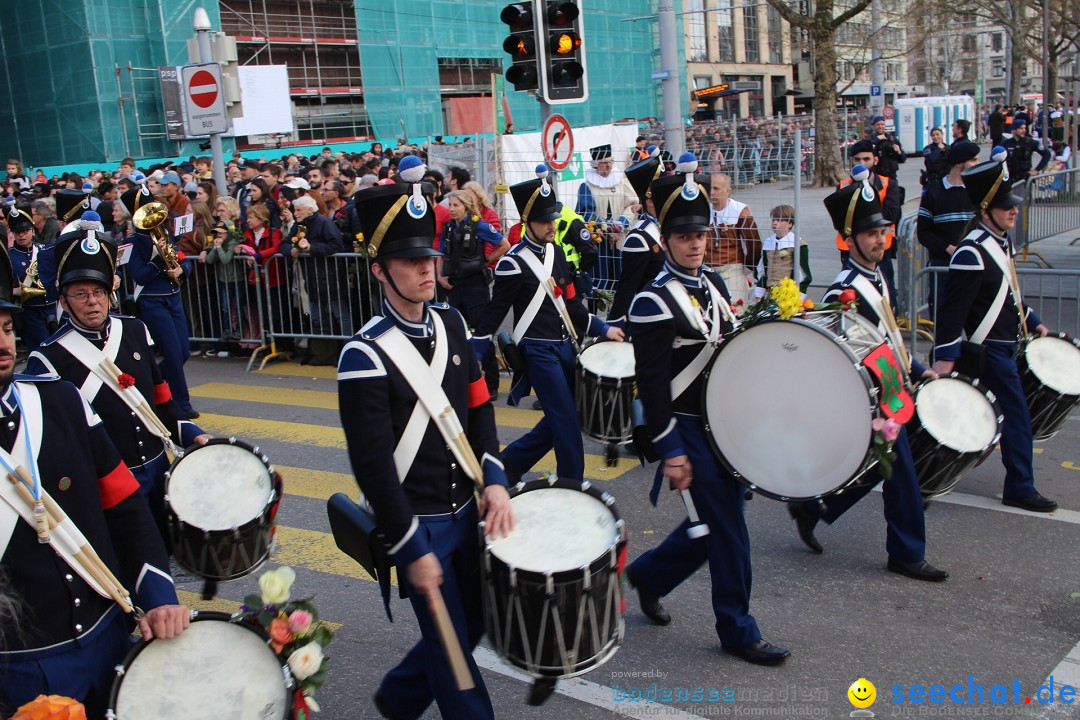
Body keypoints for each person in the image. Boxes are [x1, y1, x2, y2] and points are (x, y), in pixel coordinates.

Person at [338, 179, 513, 720]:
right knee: (457, 663)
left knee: (479, 623)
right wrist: (410, 547)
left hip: (468, 513)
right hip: (418, 524)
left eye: (429, 259)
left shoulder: (453, 324)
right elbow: (372, 468)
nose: (425, 271)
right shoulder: (363, 356)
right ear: (379, 270)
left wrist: (497, 479)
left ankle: (399, 698)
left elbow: (480, 408)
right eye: (410, 261)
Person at [0, 245, 190, 718]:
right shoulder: (51, 363)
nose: (3, 343)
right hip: (18, 666)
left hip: (106, 638)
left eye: (4, 328)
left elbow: (125, 507)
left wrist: (159, 598)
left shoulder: (58, 402)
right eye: (79, 293)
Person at [623, 152, 790, 666]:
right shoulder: (652, 301)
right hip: (687, 428)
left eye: (699, 234)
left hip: (723, 426)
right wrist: (671, 451)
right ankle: (738, 629)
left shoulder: (713, 285)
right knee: (730, 530)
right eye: (683, 236)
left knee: (719, 522)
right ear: (665, 240)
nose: (695, 243)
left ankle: (649, 576)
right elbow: (651, 387)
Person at [786, 165, 948, 582]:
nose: (881, 240)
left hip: (892, 389)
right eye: (872, 233)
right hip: (874, 399)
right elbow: (848, 353)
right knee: (903, 479)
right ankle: (907, 552)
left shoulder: (875, 277)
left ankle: (814, 508)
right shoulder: (846, 290)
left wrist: (915, 367)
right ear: (850, 239)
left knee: (880, 467)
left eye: (883, 232)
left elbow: (886, 339)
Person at [26, 225, 210, 545]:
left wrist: (196, 436)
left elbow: (162, 403)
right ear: (65, 301)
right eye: (81, 294)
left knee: (166, 559)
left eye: (98, 292)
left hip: (158, 474)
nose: (93, 302)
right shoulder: (47, 359)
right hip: (106, 487)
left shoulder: (135, 330)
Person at [472, 166, 624, 482]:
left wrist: (603, 328)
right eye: (544, 221)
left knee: (566, 416)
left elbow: (568, 302)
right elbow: (495, 311)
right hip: (537, 350)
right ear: (528, 222)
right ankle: (572, 485)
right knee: (566, 421)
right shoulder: (512, 264)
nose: (552, 225)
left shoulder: (555, 252)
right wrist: (475, 349)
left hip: (564, 345)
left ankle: (508, 465)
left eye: (553, 218)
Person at [931, 148, 1057, 513]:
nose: (1014, 210)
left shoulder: (1001, 242)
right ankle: (1019, 486)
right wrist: (946, 358)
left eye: (1013, 204)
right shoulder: (971, 252)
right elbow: (951, 313)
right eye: (1006, 206)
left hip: (1004, 346)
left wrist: (1033, 322)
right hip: (986, 351)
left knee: (962, 418)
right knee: (1015, 416)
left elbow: (1009, 294)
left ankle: (924, 479)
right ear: (986, 211)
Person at [121, 177, 199, 419]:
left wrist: (181, 270)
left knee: (183, 352)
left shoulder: (166, 234)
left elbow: (184, 259)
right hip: (152, 301)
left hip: (173, 298)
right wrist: (157, 259)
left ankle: (148, 382)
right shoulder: (132, 243)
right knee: (173, 354)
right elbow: (140, 276)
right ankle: (182, 404)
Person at [437, 189, 507, 398]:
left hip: (476, 288)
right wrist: (441, 276)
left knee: (481, 335)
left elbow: (504, 244)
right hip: (456, 288)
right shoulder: (449, 228)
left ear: (466, 207)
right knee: (457, 335)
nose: (452, 210)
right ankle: (463, 380)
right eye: (450, 205)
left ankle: (492, 384)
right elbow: (442, 254)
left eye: (456, 205)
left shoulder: (479, 226)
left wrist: (484, 262)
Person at [916, 140, 980, 338]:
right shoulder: (933, 193)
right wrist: (948, 248)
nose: (978, 163)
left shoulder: (977, 191)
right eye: (974, 160)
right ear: (960, 163)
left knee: (975, 320)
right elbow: (924, 233)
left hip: (974, 266)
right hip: (943, 267)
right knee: (944, 323)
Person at [836, 140, 901, 306]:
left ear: (875, 160)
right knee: (850, 294)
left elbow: (891, 214)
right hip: (851, 249)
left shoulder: (888, 184)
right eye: (857, 159)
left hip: (880, 248)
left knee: (886, 293)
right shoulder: (844, 186)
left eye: (866, 159)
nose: (861, 163)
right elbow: (840, 220)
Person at [607, 148, 664, 327]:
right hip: (651, 317)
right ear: (650, 202)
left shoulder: (666, 228)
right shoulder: (640, 238)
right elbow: (627, 287)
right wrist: (614, 324)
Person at [706, 172, 761, 307]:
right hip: (707, 269)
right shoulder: (703, 210)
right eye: (710, 188)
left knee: (736, 309)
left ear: (728, 191)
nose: (712, 192)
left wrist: (748, 265)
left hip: (731, 268)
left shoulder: (740, 211)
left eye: (716, 189)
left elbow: (753, 244)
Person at [5, 204, 54, 355]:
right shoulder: (9, 256)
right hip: (29, 310)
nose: (22, 235)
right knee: (41, 350)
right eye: (17, 232)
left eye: (25, 231)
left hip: (50, 306)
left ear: (32, 230)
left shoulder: (44, 250)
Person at [575, 144, 637, 226]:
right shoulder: (587, 187)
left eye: (610, 161)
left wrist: (621, 223)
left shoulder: (622, 182)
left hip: (621, 232)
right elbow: (586, 212)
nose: (609, 165)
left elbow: (632, 204)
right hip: (599, 235)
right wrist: (603, 228)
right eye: (604, 162)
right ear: (596, 164)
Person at [755, 205, 811, 295]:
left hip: (788, 293)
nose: (775, 223)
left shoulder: (798, 243)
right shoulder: (768, 242)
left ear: (790, 224)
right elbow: (762, 269)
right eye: (773, 220)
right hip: (770, 292)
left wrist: (798, 296)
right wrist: (759, 292)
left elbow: (804, 274)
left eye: (780, 220)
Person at [870, 114, 906, 180]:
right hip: (877, 176)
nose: (880, 126)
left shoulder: (892, 140)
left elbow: (902, 159)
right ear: (873, 126)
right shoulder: (870, 141)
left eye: (882, 124)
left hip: (891, 176)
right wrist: (877, 139)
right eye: (878, 124)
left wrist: (899, 152)